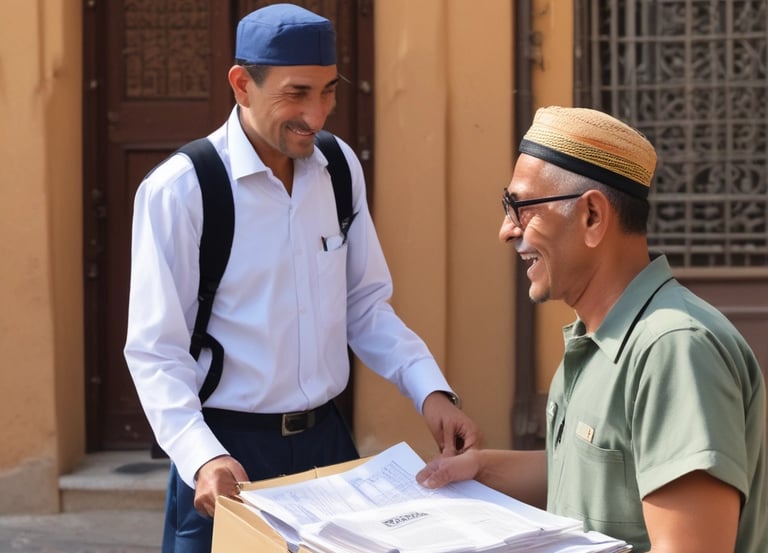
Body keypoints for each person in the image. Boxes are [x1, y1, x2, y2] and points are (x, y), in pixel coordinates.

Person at [124, 4, 480, 552]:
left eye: (329, 91)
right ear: (242, 85)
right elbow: (155, 353)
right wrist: (202, 455)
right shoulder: (181, 190)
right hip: (228, 457)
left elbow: (364, 305)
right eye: (296, 94)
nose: (317, 115)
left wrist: (430, 389)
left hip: (328, 452)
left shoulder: (337, 169)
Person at [416, 106, 767, 553]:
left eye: (519, 207)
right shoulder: (597, 337)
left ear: (593, 218)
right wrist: (478, 470)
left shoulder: (674, 349)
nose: (507, 230)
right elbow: (592, 473)